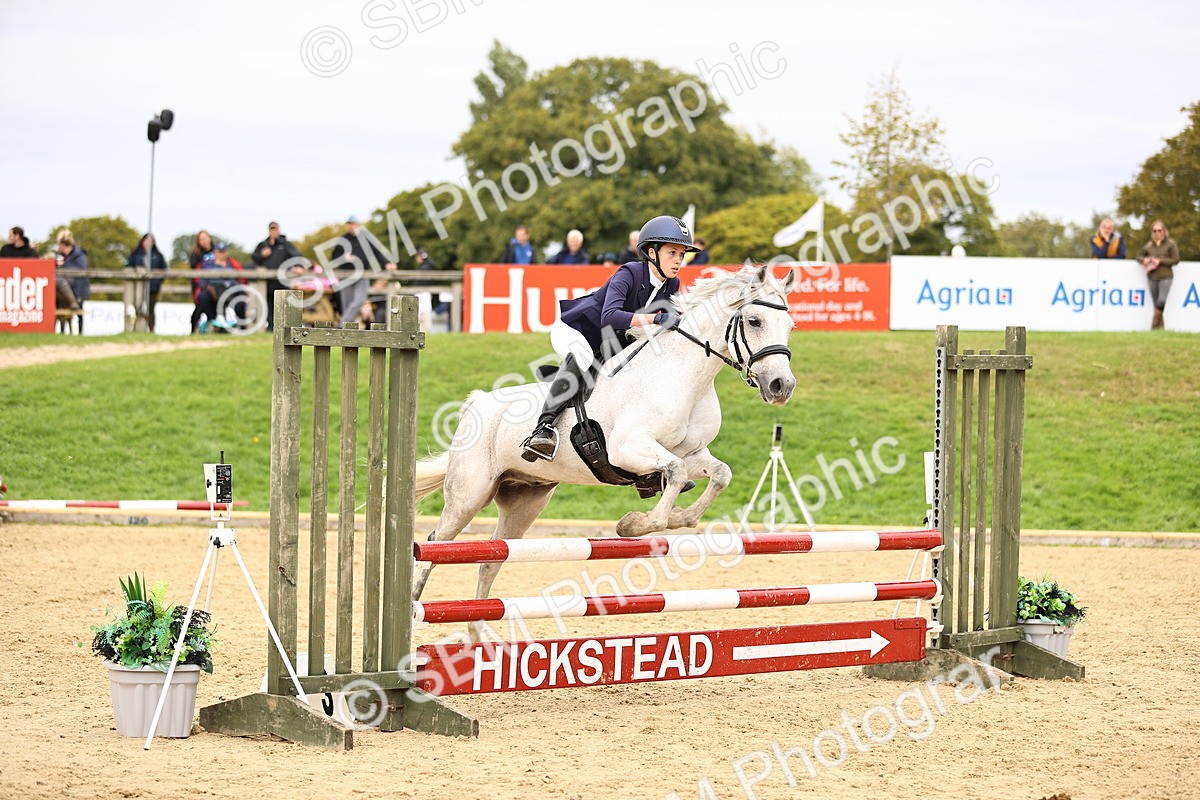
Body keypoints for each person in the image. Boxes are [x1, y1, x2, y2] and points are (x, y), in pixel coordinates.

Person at [521, 215, 697, 463]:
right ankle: (543, 429)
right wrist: (655, 320)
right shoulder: (629, 273)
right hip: (578, 329)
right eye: (673, 253)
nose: (679, 260)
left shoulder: (671, 283)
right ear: (651, 252)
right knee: (582, 359)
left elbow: (672, 318)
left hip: (610, 339)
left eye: (682, 254)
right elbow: (611, 315)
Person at [328, 216, 396, 324]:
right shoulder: (342, 240)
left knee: (359, 301)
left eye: (353, 223)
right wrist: (344, 258)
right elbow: (334, 258)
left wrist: (387, 263)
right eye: (349, 224)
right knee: (346, 303)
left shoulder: (366, 239)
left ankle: (342, 324)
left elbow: (377, 252)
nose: (351, 226)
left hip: (362, 275)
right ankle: (348, 328)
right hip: (346, 275)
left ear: (358, 225)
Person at [252, 221, 302, 330]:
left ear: (279, 230)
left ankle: (283, 327)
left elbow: (296, 256)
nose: (274, 231)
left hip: (282, 281)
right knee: (268, 304)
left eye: (275, 229)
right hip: (267, 282)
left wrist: (298, 266)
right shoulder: (263, 245)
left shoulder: (286, 244)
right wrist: (262, 255)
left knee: (282, 304)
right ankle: (270, 327)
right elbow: (254, 258)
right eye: (271, 229)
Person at [191, 243, 244, 333]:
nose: (221, 254)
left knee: (240, 299)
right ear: (215, 252)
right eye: (219, 252)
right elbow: (202, 280)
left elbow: (239, 279)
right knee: (202, 297)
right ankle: (212, 320)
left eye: (223, 252)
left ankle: (242, 327)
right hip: (212, 292)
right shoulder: (208, 265)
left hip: (229, 291)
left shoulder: (232, 264)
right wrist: (206, 287)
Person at [1136, 220, 1180, 330]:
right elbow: (1138, 256)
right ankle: (1160, 330)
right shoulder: (1148, 245)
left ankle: (1154, 325)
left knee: (1161, 301)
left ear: (1164, 231)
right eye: (1154, 231)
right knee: (1156, 304)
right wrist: (1144, 260)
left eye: (1159, 230)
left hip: (1166, 276)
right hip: (1152, 277)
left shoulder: (1171, 244)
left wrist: (1160, 261)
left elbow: (1176, 260)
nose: (1157, 233)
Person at [126, 233, 168, 332]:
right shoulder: (135, 254)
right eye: (146, 240)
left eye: (151, 241)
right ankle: (134, 329)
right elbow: (129, 267)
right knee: (137, 307)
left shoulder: (158, 256)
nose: (148, 243)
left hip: (153, 287)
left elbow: (164, 270)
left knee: (150, 309)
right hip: (136, 287)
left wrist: (157, 281)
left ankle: (151, 329)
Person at [56, 230, 90, 333]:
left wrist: (64, 267)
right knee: (61, 310)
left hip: (78, 288)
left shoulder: (79, 255)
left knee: (79, 314)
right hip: (65, 290)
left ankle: (80, 333)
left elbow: (81, 271)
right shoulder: (61, 257)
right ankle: (62, 332)